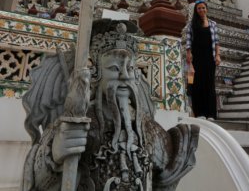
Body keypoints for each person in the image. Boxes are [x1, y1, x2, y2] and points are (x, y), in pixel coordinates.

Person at [21, 19, 199, 191]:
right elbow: (39, 183)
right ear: (96, 73)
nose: (124, 76)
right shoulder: (76, 125)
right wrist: (54, 157)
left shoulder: (149, 130)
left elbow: (164, 180)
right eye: (114, 68)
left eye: (129, 69)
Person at [185, 0, 221, 120]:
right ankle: (200, 112)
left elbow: (216, 42)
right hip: (197, 58)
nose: (201, 10)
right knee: (197, 84)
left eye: (203, 8)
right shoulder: (192, 24)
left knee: (209, 84)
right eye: (199, 8)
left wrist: (217, 55)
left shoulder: (213, 24)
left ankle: (211, 113)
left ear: (206, 9)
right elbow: (189, 41)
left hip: (209, 57)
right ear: (196, 10)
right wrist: (189, 54)